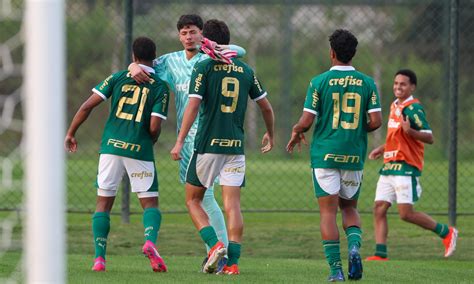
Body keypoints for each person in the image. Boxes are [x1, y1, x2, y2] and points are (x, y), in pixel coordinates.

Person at [129, 15, 246, 270]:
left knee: (204, 197)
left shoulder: (211, 57)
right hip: (189, 136)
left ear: (202, 34)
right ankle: (217, 252)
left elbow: (239, 50)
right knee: (204, 198)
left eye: (193, 32)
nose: (188, 37)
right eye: (183, 33)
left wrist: (218, 47)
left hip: (205, 135)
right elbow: (145, 66)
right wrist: (132, 67)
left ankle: (218, 251)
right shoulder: (171, 62)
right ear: (179, 36)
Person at [170, 19, 274, 275]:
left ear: (208, 40)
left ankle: (216, 245)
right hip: (235, 146)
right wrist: (270, 134)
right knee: (233, 205)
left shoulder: (204, 67)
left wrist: (180, 141)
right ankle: (233, 264)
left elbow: (193, 106)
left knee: (193, 200)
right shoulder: (246, 70)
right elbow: (266, 107)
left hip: (207, 144)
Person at [64, 37, 169, 272]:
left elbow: (87, 106)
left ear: (133, 56)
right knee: (150, 203)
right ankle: (150, 242)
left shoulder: (118, 77)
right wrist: (151, 139)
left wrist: (71, 133)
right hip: (139, 148)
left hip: (110, 148)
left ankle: (99, 259)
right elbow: (154, 126)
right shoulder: (160, 86)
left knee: (103, 203)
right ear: (154, 56)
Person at [286, 29, 382, 282]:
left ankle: (336, 270)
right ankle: (354, 247)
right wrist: (358, 130)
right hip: (353, 154)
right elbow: (376, 121)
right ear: (353, 54)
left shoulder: (319, 82)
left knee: (328, 213)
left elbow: (307, 121)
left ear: (332, 53)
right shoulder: (368, 83)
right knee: (349, 207)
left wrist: (296, 131)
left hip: (325, 155)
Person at [365, 69, 458, 261]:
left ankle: (447, 232)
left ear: (412, 87)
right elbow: (397, 136)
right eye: (396, 83)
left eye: (403, 84)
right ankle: (380, 254)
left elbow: (429, 137)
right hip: (390, 165)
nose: (398, 87)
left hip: (406, 166)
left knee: (405, 214)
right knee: (379, 208)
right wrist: (382, 148)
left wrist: (411, 132)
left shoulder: (413, 108)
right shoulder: (394, 105)